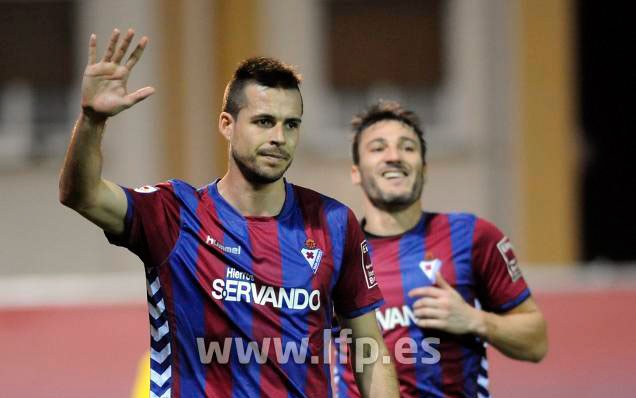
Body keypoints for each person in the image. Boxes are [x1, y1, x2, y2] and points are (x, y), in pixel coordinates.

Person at [59, 29, 399, 398]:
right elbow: (82, 194)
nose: (279, 138)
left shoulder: (332, 222)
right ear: (227, 124)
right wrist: (92, 120)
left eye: (292, 125)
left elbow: (369, 347)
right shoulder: (175, 214)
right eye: (264, 121)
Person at [332, 101, 548, 397]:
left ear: (425, 168)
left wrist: (475, 319)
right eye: (378, 148)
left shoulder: (473, 236)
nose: (394, 157)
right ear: (356, 171)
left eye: (407, 148)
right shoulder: (335, 253)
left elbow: (536, 342)